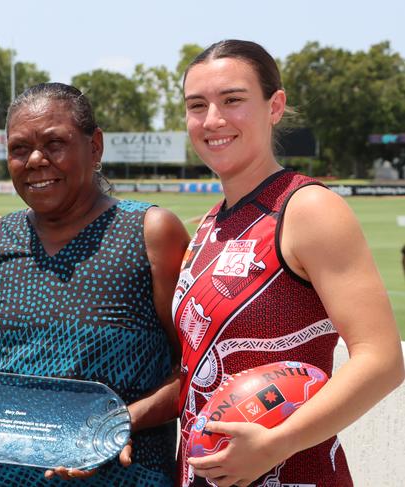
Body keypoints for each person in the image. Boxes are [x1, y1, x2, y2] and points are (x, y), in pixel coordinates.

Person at [0, 82, 188, 486]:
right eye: (19, 149)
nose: (35, 160)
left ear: (95, 147)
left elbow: (194, 369)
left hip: (120, 477)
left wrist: (120, 422)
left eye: (55, 143)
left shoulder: (150, 232)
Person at [173, 39, 405, 487]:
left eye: (233, 100)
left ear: (274, 106)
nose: (213, 119)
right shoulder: (208, 225)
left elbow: (381, 361)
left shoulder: (308, 209)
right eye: (197, 105)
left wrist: (277, 443)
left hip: (297, 473)